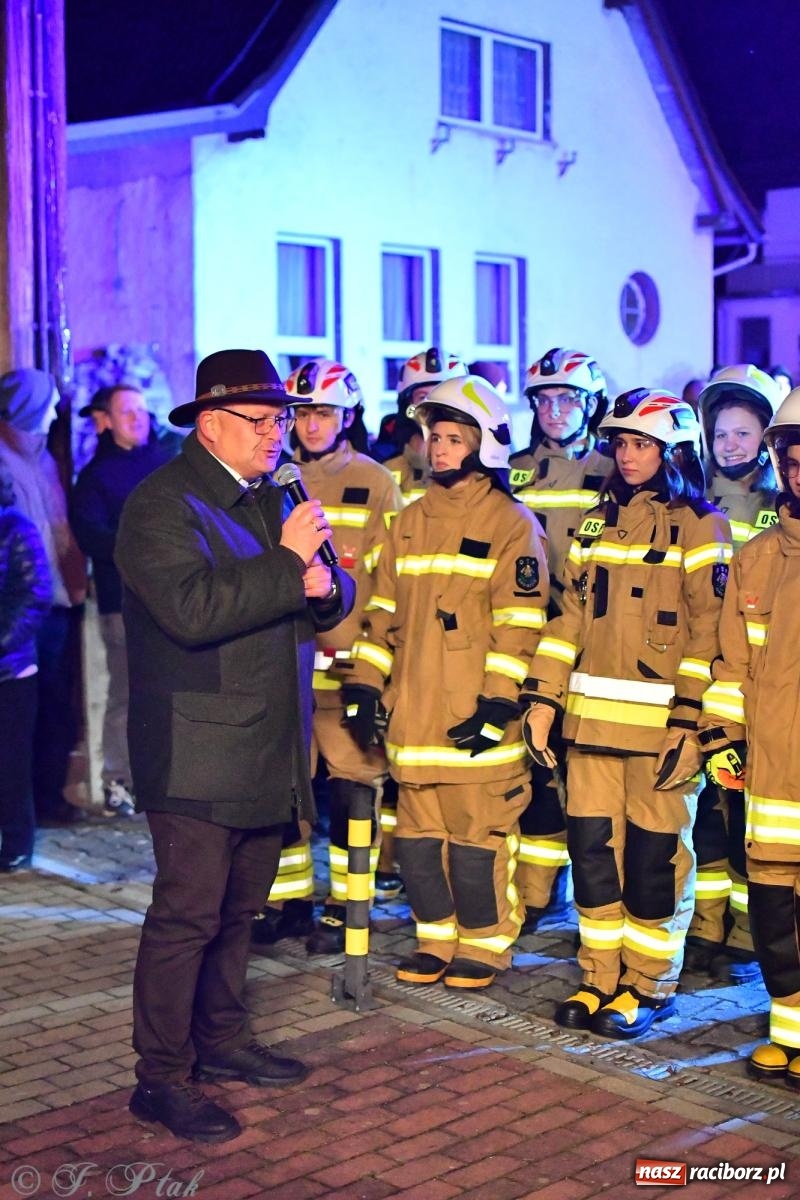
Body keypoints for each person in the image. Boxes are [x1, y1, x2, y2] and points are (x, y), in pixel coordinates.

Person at [114, 349, 354, 1144]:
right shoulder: (162, 505)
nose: (279, 433)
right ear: (212, 424)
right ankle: (162, 1077)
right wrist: (290, 563)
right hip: (196, 754)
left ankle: (220, 1043)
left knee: (238, 910)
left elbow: (324, 594)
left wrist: (321, 580)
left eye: (284, 419)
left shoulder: (269, 493)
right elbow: (191, 609)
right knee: (186, 916)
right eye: (264, 421)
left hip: (265, 746)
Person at [521, 388, 732, 1038]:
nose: (628, 454)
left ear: (673, 451)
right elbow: (568, 620)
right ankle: (598, 976)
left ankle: (649, 984)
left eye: (642, 444)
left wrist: (691, 726)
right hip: (589, 731)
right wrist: (542, 700)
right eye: (621, 443)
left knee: (652, 862)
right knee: (593, 857)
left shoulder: (702, 527)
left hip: (661, 737)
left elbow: (710, 636)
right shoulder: (594, 522)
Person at [348, 375, 549, 989]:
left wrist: (497, 703)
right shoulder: (406, 522)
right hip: (413, 719)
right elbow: (380, 613)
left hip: (474, 722)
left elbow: (521, 625)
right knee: (416, 844)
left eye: (453, 438)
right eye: (434, 437)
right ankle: (436, 940)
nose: (437, 449)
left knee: (476, 846)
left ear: (485, 444)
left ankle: (486, 946)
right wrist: (363, 684)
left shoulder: (513, 524)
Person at [252, 359, 402, 951]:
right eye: (303, 412)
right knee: (284, 793)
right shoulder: (267, 478)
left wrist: (375, 665)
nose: (311, 425)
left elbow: (390, 579)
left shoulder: (375, 480)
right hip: (286, 666)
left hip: (347, 669)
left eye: (324, 413)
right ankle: (287, 901)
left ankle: (349, 906)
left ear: (348, 417)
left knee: (353, 791)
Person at [701, 387, 800, 1087]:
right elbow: (731, 660)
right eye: (794, 461)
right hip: (770, 775)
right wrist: (723, 733)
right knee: (771, 907)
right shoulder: (760, 556)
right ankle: (791, 1029)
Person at [509, 348, 612, 933]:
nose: (554, 410)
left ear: (590, 405)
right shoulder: (514, 467)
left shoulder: (613, 467)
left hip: (593, 646)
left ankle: (595, 899)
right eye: (544, 399)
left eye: (567, 398)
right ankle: (536, 895)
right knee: (537, 775)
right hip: (527, 641)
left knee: (586, 778)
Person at [685, 365, 780, 983]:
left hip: (759, 685)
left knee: (746, 814)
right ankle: (705, 924)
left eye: (745, 434)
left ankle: (747, 932)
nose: (732, 446)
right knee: (702, 816)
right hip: (701, 678)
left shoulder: (783, 508)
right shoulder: (692, 504)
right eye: (722, 435)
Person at [70, 383, 175, 817]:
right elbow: (92, 536)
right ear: (107, 421)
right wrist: (144, 549)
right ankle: (119, 783)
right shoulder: (96, 477)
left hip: (175, 600)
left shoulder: (168, 463)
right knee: (128, 695)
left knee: (173, 693)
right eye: (126, 412)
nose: (138, 418)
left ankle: (168, 778)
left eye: (142, 410)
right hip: (124, 605)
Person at [0, 368, 86, 825]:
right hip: (21, 610)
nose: (55, 412)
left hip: (54, 603)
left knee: (53, 707)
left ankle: (47, 801)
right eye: (48, 403)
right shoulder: (5, 459)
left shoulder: (43, 459)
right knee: (21, 718)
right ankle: (25, 811)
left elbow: (58, 527)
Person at [0, 464, 52, 871]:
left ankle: (16, 845)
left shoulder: (15, 527)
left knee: (11, 763)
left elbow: (35, 595)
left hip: (10, 671)